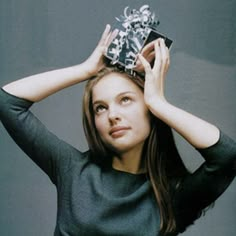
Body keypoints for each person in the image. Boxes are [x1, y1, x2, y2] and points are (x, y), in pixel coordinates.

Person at [0, 24, 235, 236]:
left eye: (125, 100)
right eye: (100, 107)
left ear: (149, 111)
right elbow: (7, 102)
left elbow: (226, 156)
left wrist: (159, 104)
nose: (112, 115)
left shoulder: (173, 195)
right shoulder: (72, 169)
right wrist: (85, 70)